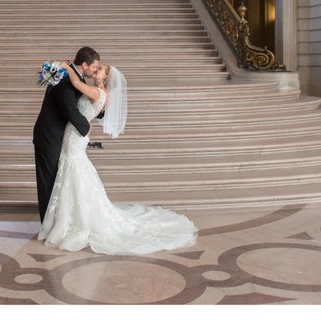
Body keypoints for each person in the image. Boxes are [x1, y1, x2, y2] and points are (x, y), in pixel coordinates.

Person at [38, 62, 198, 255]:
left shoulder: (98, 93)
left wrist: (67, 66)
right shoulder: (100, 92)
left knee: (73, 171)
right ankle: (68, 216)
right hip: (73, 135)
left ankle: (73, 220)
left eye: (99, 71)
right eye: (96, 68)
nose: (95, 71)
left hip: (75, 137)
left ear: (105, 78)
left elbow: (76, 84)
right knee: (74, 173)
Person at [33, 47, 101, 223]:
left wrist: (100, 107)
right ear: (84, 65)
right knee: (48, 180)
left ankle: (57, 221)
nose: (95, 70)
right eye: (94, 66)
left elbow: (83, 102)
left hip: (59, 135)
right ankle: (47, 225)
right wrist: (86, 129)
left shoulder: (74, 77)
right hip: (49, 135)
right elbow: (70, 110)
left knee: (57, 178)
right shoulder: (64, 78)